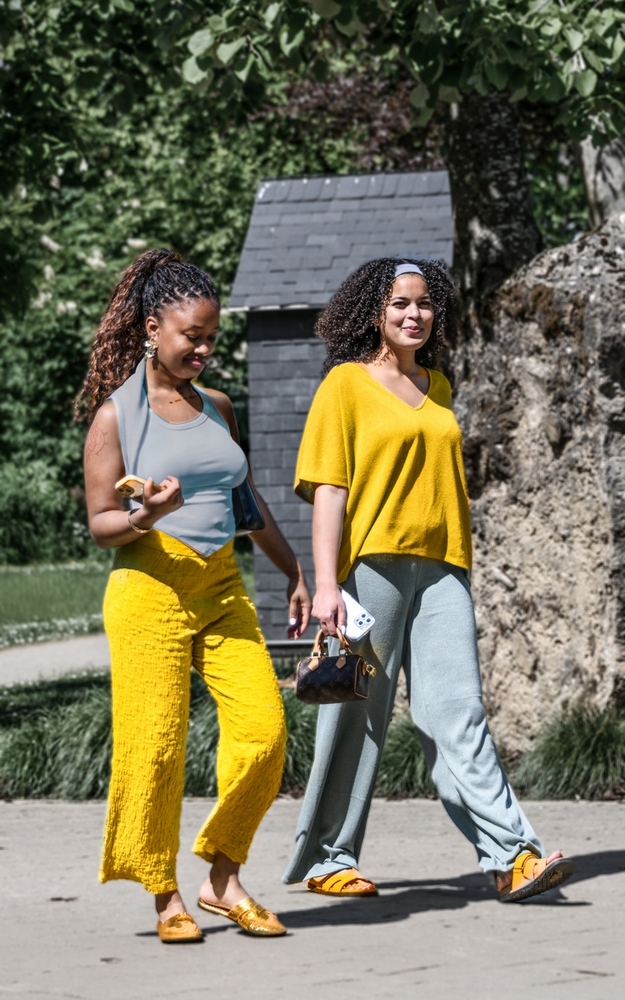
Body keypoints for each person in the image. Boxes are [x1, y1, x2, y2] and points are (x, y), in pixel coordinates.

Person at [283, 258, 574, 903]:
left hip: (443, 568)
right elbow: (329, 489)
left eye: (423, 303)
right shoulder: (345, 385)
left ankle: (512, 857)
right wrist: (326, 582)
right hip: (372, 568)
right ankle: (328, 857)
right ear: (374, 313)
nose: (414, 314)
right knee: (355, 710)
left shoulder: (437, 385)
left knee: (459, 711)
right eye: (399, 304)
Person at [78, 248, 311, 942]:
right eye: (193, 337)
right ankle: (164, 894)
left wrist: (294, 571)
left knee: (264, 733)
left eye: (212, 337)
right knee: (154, 749)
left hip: (221, 586)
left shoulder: (218, 407)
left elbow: (246, 503)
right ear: (154, 329)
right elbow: (100, 524)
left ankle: (222, 877)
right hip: (149, 590)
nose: (205, 349)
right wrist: (145, 516)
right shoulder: (116, 419)